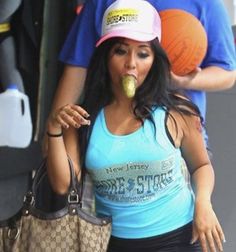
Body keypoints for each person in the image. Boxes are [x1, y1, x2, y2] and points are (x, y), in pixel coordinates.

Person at [46, 1, 225, 251]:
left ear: (155, 60)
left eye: (143, 53)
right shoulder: (84, 118)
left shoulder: (175, 110)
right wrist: (54, 128)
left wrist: (203, 205)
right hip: (115, 242)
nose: (131, 63)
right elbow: (63, 185)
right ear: (106, 56)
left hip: (181, 238)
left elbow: (201, 165)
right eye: (120, 51)